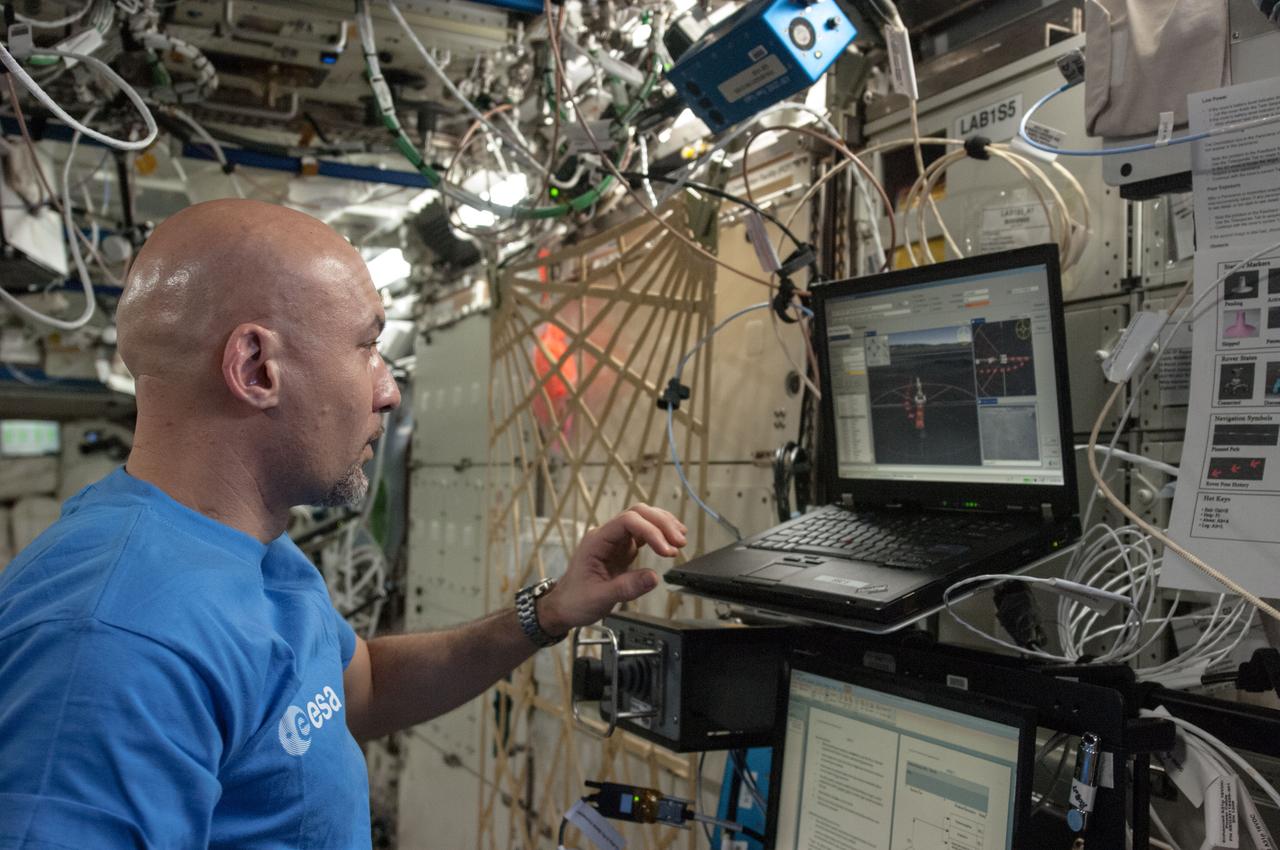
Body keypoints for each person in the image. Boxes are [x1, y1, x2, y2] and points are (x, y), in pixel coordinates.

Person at [0, 199, 686, 848]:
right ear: (256, 367)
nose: (388, 391)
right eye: (366, 347)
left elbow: (363, 688)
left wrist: (547, 613)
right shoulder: (114, 640)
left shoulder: (254, 552)